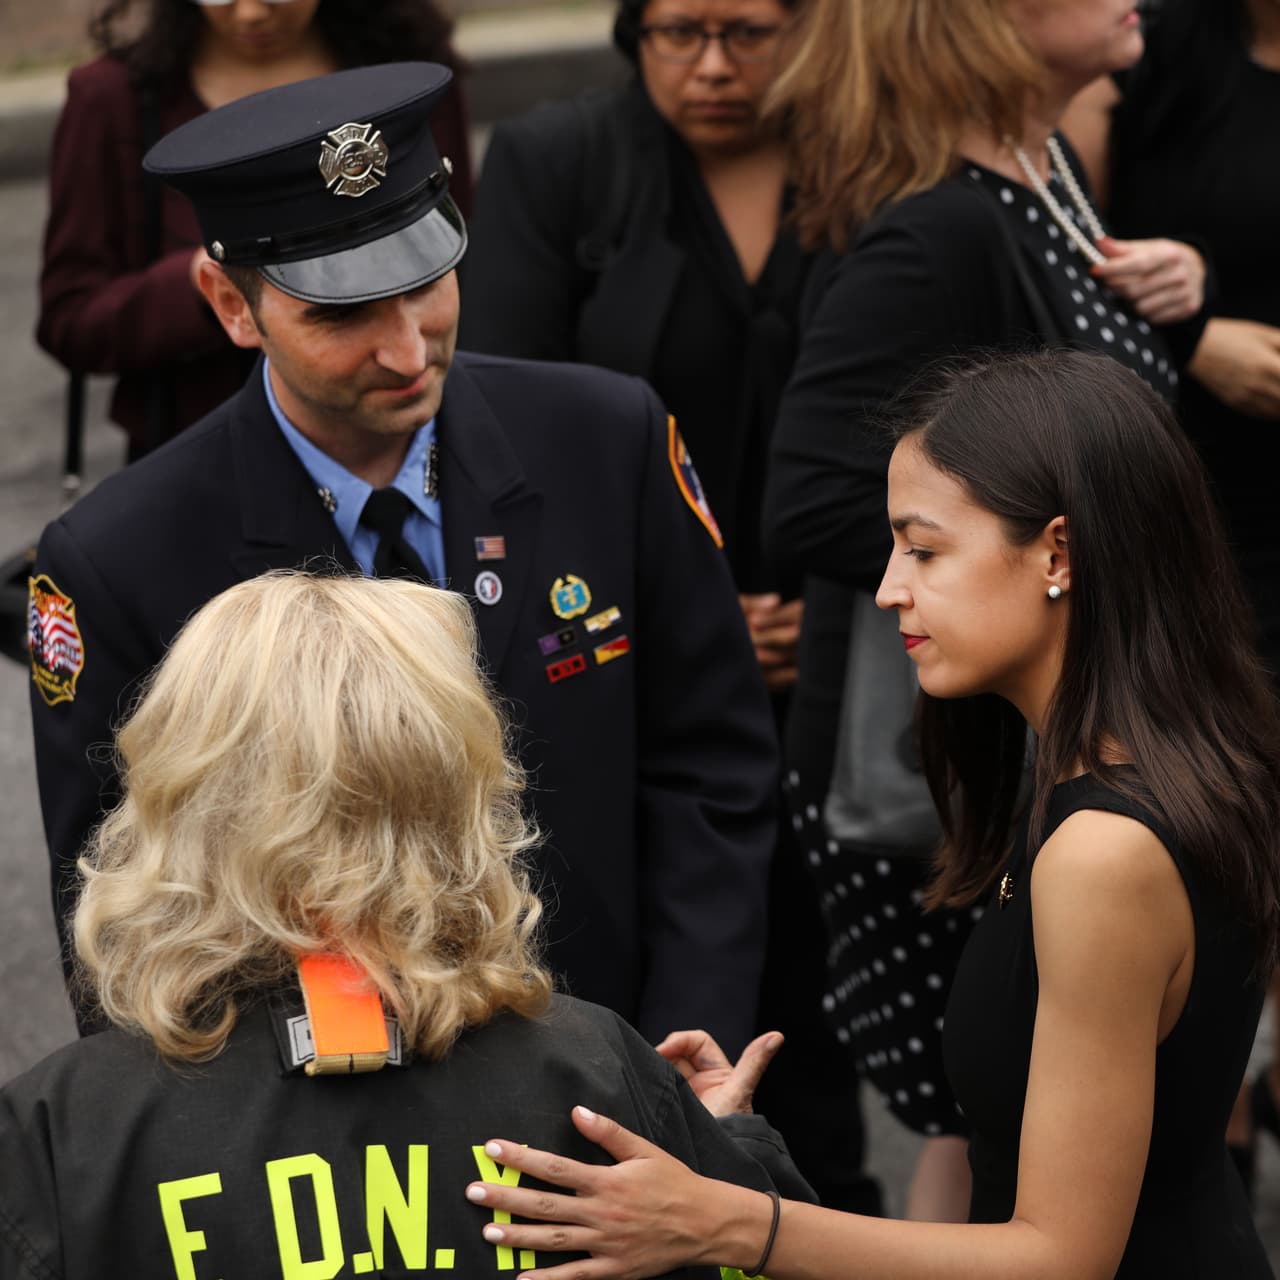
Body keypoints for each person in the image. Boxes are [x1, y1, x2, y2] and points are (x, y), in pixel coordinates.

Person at [458, 349, 1280, 1278]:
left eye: (923, 549)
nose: (889, 587)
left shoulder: (1103, 850)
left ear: (1058, 553)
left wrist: (719, 1219)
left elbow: (1058, 1260)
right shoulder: (1114, 778)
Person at [26, 63, 777, 1056]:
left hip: (616, 1066)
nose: (407, 350)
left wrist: (685, 1037)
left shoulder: (606, 438)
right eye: (339, 314)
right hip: (319, 1132)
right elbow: (117, 907)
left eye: (423, 283)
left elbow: (708, 766)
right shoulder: (121, 557)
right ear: (230, 303)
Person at [1, 571, 804, 1277]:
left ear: (177, 797)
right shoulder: (597, 1079)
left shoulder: (62, 1132)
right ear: (461, 793)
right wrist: (727, 1152)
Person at [748, 0, 1207, 1220]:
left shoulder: (1044, 171)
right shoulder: (940, 229)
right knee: (995, 1122)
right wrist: (1015, 590)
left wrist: (1187, 312)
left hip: (1071, 733)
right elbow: (804, 497)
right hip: (962, 771)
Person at [460, 0, 872, 1215]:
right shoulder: (559, 162)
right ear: (631, 32)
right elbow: (500, 429)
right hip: (627, 660)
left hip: (844, 651)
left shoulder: (870, 155)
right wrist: (686, 623)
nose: (710, 65)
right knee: (642, 1004)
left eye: (748, 31)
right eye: (678, 31)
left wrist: (833, 608)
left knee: (815, 1033)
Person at [1060, 5, 1280, 1187]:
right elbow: (1075, 253)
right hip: (1192, 539)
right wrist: (1192, 329)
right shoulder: (1154, 53)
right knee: (1219, 877)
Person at [36, 0, 474, 458]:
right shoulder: (112, 98)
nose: (249, 13)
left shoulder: (410, 68)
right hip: (199, 457)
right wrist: (206, 283)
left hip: (411, 442)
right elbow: (71, 318)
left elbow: (460, 245)